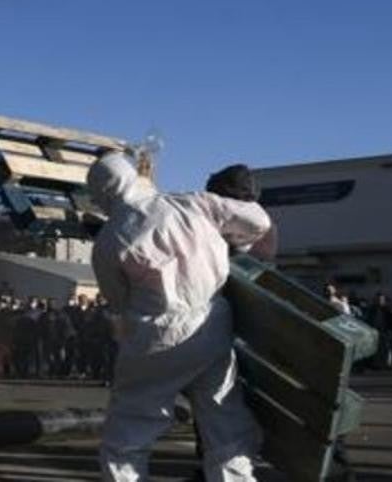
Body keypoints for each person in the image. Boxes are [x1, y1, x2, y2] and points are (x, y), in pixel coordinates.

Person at [88, 151, 272, 482]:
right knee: (224, 421)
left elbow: (118, 301)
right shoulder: (192, 202)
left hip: (155, 334)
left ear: (103, 191)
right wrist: (233, 242)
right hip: (212, 326)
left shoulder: (108, 238)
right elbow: (258, 221)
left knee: (128, 433)